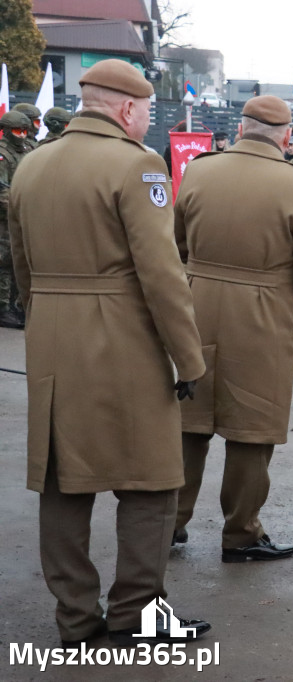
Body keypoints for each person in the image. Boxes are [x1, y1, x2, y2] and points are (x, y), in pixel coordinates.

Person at [8, 58, 210, 647]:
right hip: (123, 336)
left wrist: (44, 321)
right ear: (127, 109)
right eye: (146, 111)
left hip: (50, 333)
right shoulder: (138, 165)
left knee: (62, 478)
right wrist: (189, 358)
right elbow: (162, 274)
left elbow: (21, 268)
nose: (146, 121)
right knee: (150, 479)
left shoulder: (30, 166)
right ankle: (137, 616)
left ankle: (75, 619)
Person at [172, 95, 293, 563]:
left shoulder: (200, 170)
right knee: (252, 428)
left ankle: (168, 525)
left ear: (241, 129)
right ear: (286, 138)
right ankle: (240, 533)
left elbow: (176, 241)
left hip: (196, 301)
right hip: (263, 312)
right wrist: (276, 284)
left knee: (189, 421)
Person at [0, 111, 33, 329]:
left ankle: (15, 305)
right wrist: (18, 208)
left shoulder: (28, 151)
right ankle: (3, 308)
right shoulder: (2, 155)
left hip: (23, 214)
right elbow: (2, 190)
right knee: (4, 260)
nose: (21, 136)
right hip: (6, 218)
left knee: (18, 260)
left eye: (24, 131)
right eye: (17, 131)